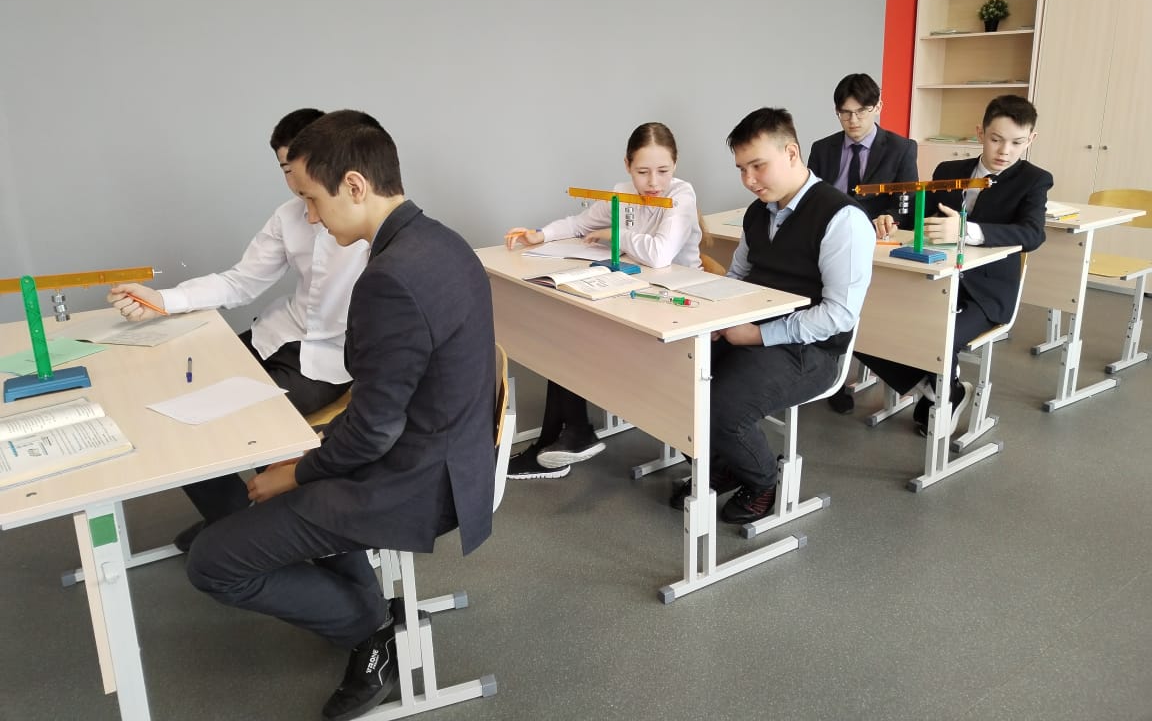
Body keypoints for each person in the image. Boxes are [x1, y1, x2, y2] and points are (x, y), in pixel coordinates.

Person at [186, 110, 496, 721]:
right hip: (447, 455)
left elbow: (374, 430)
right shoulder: (442, 241)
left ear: (355, 185)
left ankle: (371, 628)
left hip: (416, 480)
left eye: (311, 200)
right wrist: (312, 456)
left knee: (212, 563)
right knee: (281, 486)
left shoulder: (389, 278)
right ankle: (353, 590)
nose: (309, 216)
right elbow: (383, 409)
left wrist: (297, 472)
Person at [108, 108, 370, 552]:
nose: (294, 183)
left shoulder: (369, 226)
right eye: (285, 169)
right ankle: (231, 521)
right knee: (173, 404)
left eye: (300, 169)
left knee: (221, 421)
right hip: (276, 335)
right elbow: (240, 281)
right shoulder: (289, 216)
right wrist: (161, 300)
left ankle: (239, 532)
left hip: (327, 362)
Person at [670, 107, 874, 523]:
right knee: (675, 378)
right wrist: (713, 321)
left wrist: (758, 335)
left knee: (721, 409)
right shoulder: (756, 213)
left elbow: (838, 315)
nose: (749, 179)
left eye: (758, 166)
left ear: (792, 153)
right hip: (749, 332)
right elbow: (737, 278)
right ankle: (730, 462)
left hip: (811, 350)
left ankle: (763, 479)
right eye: (742, 169)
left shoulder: (843, 219)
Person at [504, 122, 702, 479]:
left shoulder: (681, 195)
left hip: (683, 304)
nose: (653, 182)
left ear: (676, 164)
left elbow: (659, 254)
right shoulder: (622, 193)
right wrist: (541, 235)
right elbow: (580, 223)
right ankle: (565, 436)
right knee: (565, 331)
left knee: (574, 339)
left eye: (663, 171)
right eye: (642, 172)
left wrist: (615, 234)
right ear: (627, 165)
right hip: (637, 294)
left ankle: (569, 436)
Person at [856, 94, 1052, 437]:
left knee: (936, 337)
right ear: (980, 133)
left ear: (1031, 139)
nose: (1005, 151)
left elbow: (1033, 234)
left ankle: (938, 388)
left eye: (1017, 142)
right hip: (933, 279)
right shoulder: (949, 171)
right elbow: (919, 215)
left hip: (986, 293)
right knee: (864, 327)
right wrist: (892, 218)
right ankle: (941, 389)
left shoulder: (1034, 180)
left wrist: (967, 231)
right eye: (996, 139)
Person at [808, 73, 918, 414]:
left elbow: (907, 204)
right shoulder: (822, 148)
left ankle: (842, 372)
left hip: (871, 241)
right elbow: (809, 196)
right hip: (826, 240)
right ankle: (829, 376)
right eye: (845, 113)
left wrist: (891, 217)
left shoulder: (901, 148)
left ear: (878, 107)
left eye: (861, 111)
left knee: (859, 307)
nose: (853, 120)